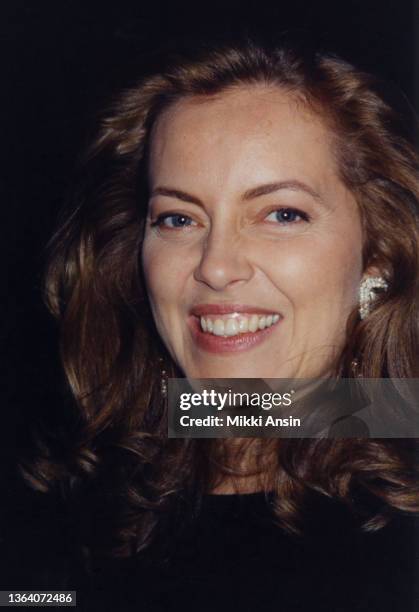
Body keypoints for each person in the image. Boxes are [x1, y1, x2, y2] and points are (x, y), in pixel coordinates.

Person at [5, 35, 419, 610]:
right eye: (178, 218)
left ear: (377, 258)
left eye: (282, 213)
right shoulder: (71, 496)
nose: (217, 266)